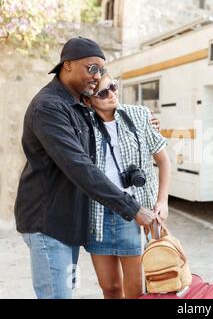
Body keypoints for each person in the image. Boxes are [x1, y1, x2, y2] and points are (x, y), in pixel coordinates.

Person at [14, 37, 158, 299]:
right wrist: (132, 208)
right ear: (67, 65)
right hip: (48, 224)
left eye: (101, 70)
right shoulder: (49, 107)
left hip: (67, 225)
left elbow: (108, 116)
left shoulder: (79, 104)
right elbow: (79, 166)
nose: (97, 76)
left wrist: (144, 122)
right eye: (92, 68)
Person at [82, 73, 170, 299]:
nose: (112, 94)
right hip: (97, 214)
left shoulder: (139, 115)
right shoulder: (82, 124)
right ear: (89, 100)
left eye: (113, 86)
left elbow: (163, 160)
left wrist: (163, 201)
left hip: (135, 212)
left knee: (136, 290)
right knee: (110, 288)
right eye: (103, 92)